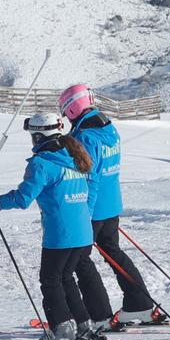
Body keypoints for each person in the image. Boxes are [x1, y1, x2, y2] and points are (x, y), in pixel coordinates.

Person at [0, 112, 108, 340]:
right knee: (66, 278)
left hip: (60, 235)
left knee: (50, 281)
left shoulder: (43, 163)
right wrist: (83, 214)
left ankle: (61, 330)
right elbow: (92, 188)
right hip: (82, 232)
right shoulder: (74, 156)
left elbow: (22, 198)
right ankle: (83, 326)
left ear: (38, 136)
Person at [61, 84, 161, 326]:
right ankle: (140, 304)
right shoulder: (108, 127)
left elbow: (91, 177)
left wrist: (84, 211)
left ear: (72, 109)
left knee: (80, 259)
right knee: (112, 251)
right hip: (111, 202)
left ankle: (100, 315)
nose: (66, 118)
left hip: (94, 207)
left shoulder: (85, 136)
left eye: (65, 112)